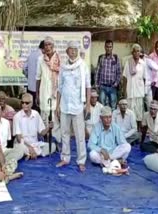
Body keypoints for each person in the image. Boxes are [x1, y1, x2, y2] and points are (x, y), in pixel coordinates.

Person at [56, 41, 91, 172]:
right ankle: (65, 158)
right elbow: (59, 88)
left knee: (79, 135)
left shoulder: (83, 66)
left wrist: (87, 105)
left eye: (75, 50)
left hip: (78, 106)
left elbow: (88, 86)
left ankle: (81, 160)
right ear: (67, 52)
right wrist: (57, 106)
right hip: (64, 105)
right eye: (71, 50)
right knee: (64, 133)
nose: (73, 52)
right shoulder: (63, 67)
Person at [13, 93, 56, 159]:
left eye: (27, 103)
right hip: (23, 145)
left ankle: (30, 155)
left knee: (53, 146)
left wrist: (49, 128)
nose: (24, 105)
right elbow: (19, 139)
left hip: (35, 144)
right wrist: (30, 148)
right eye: (22, 102)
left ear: (31, 103)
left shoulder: (36, 114)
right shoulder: (17, 116)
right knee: (20, 149)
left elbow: (42, 132)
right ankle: (34, 153)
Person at [36, 36, 61, 143]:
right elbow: (38, 77)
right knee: (44, 117)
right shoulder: (40, 59)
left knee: (55, 118)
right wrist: (37, 94)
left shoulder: (59, 59)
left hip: (56, 94)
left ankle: (55, 142)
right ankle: (46, 141)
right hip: (44, 93)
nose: (47, 47)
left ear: (53, 46)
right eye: (46, 45)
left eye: (49, 44)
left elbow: (62, 80)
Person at [123, 44, 146, 129]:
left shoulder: (143, 63)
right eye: (135, 51)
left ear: (140, 53)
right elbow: (125, 78)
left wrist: (144, 91)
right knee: (130, 113)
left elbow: (144, 78)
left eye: (138, 51)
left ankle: (139, 131)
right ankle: (131, 131)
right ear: (132, 52)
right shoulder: (128, 62)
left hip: (139, 93)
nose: (136, 53)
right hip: (130, 92)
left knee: (139, 114)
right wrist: (124, 91)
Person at [95, 40, 121, 108]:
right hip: (102, 87)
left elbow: (119, 73)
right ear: (104, 47)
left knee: (113, 106)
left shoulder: (116, 58)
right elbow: (97, 72)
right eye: (107, 47)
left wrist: (116, 84)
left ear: (112, 48)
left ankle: (112, 119)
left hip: (112, 87)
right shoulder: (101, 58)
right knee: (102, 106)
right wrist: (97, 85)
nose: (108, 48)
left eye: (110, 47)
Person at [23, 40, 44, 110]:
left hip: (30, 87)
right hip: (40, 89)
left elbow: (24, 69)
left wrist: (29, 77)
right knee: (39, 111)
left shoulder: (31, 55)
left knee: (30, 109)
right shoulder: (42, 57)